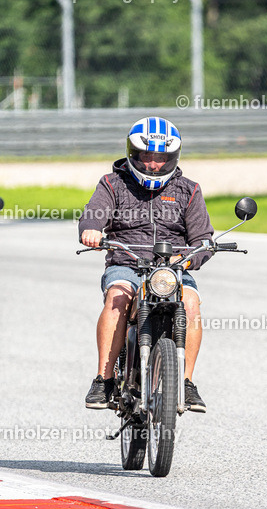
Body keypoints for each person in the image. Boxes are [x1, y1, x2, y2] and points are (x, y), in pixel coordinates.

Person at [79, 116, 213, 412]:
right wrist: (91, 229)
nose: (153, 164)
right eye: (147, 157)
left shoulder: (188, 190)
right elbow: (93, 214)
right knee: (117, 297)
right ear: (133, 154)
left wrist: (192, 256)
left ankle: (187, 383)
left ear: (172, 157)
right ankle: (104, 378)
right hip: (127, 262)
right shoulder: (112, 184)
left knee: (190, 303)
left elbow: (203, 238)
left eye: (160, 158)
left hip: (174, 269)